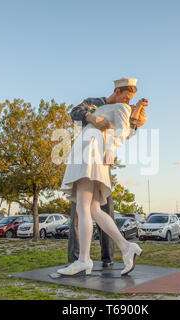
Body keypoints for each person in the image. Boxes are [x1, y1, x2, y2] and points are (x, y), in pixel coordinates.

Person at [59, 78, 148, 276]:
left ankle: (83, 260)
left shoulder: (122, 108)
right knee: (93, 209)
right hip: (90, 149)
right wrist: (91, 117)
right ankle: (126, 247)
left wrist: (113, 145)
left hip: (90, 151)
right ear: (117, 91)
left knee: (84, 207)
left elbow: (124, 132)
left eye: (130, 99)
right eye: (125, 97)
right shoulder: (97, 102)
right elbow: (75, 113)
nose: (127, 101)